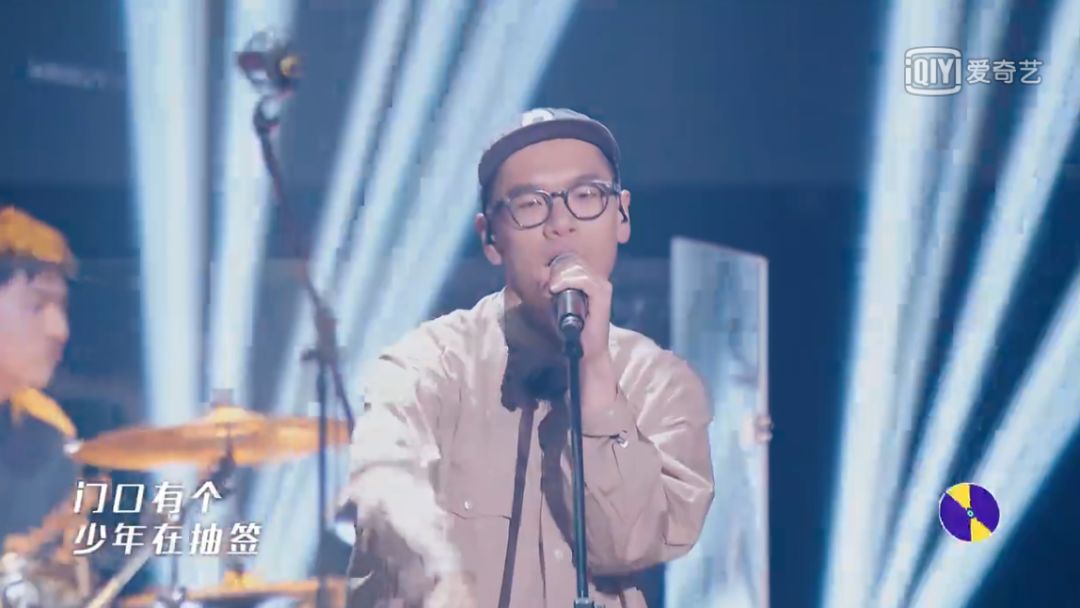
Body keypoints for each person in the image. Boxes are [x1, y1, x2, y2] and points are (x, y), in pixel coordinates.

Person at [343, 109, 715, 608]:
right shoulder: (424, 367)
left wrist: (594, 371)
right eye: (530, 205)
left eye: (587, 196)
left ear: (622, 215)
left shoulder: (661, 384)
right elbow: (383, 487)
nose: (561, 224)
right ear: (490, 237)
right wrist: (436, 569)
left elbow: (627, 544)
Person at [0, 206, 96, 605]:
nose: (60, 330)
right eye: (37, 306)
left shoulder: (50, 433)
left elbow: (61, 591)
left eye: (62, 308)